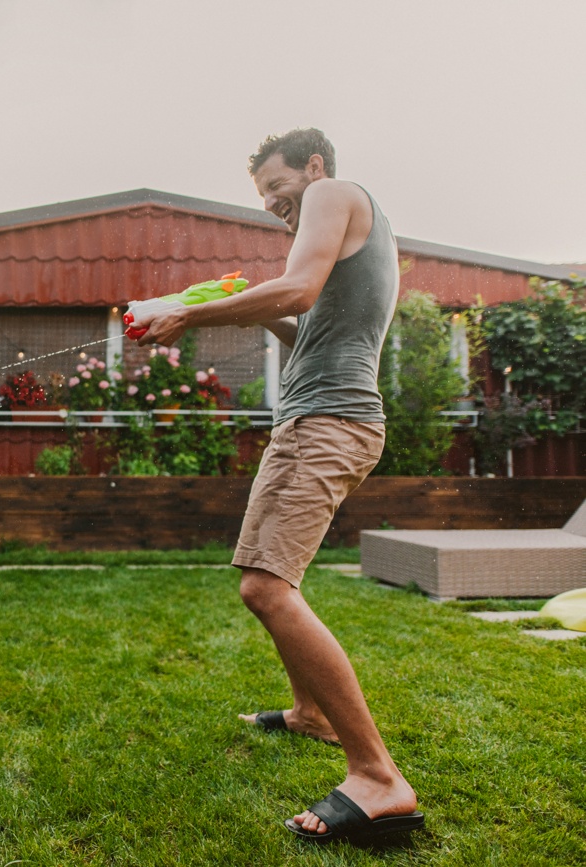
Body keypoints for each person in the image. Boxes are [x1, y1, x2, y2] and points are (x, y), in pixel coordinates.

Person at [129, 128, 423, 843]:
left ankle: (379, 777)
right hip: (318, 417)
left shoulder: (334, 194)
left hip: (326, 421)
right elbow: (307, 323)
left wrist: (190, 313)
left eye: (278, 190)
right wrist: (247, 306)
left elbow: (298, 286)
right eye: (264, 198)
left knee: (266, 586)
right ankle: (309, 712)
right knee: (269, 578)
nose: (273, 206)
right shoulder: (345, 224)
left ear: (314, 168)